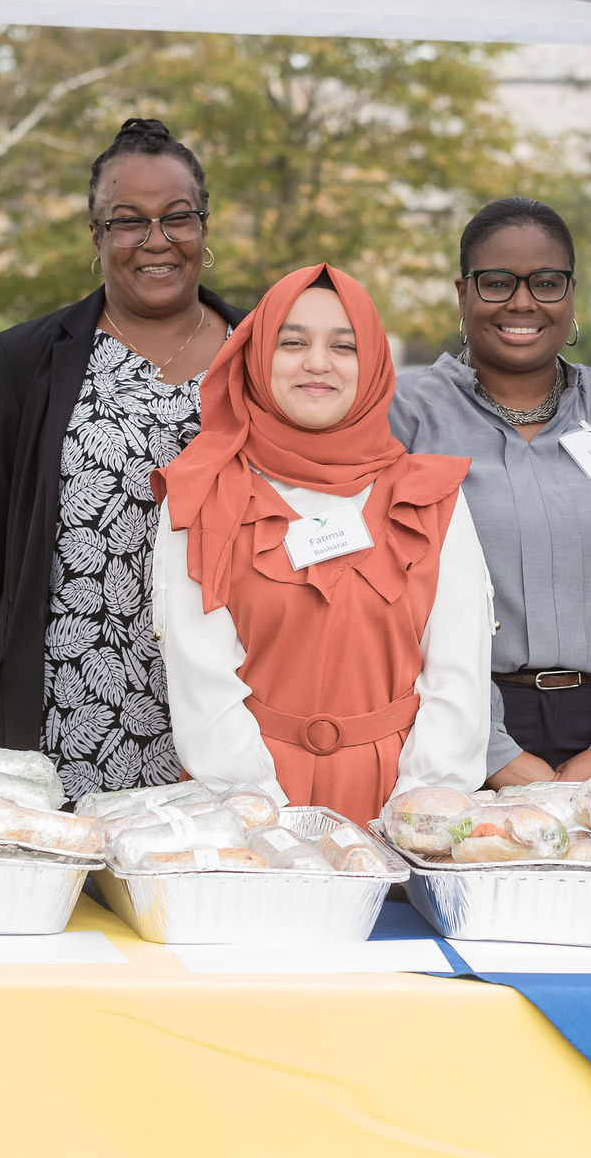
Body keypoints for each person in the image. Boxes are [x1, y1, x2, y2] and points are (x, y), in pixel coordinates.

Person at [0, 118, 245, 801]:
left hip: (232, 708)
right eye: (128, 221)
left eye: (177, 218)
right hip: (67, 708)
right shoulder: (23, 361)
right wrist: (20, 657)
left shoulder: (262, 357)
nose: (156, 241)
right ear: (97, 237)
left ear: (205, 225)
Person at [390, 197, 591, 798]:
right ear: (462, 294)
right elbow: (382, 596)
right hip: (452, 741)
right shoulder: (405, 418)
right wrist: (489, 748)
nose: (522, 302)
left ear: (570, 296)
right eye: (496, 283)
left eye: (546, 282)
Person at [151, 264, 491, 823]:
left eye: (343, 345)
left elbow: (459, 676)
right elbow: (201, 681)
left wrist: (416, 818)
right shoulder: (202, 496)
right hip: (245, 812)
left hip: (399, 808)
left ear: (375, 363)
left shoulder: (430, 498)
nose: (317, 362)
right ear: (258, 357)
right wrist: (267, 823)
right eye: (292, 343)